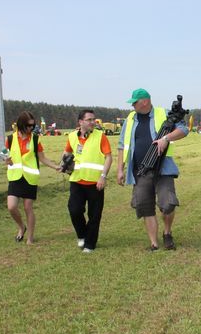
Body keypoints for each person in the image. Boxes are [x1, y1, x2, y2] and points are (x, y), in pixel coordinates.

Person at [116, 88, 189, 251]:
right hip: (140, 171)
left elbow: (184, 130)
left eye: (134, 103)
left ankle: (167, 233)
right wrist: (120, 169)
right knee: (144, 206)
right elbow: (122, 145)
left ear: (145, 101)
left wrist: (166, 138)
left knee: (167, 204)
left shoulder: (163, 114)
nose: (132, 106)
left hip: (163, 170)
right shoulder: (130, 119)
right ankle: (154, 244)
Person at [62, 109, 113, 253]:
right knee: (74, 210)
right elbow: (67, 153)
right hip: (77, 180)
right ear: (80, 122)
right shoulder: (72, 136)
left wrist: (103, 176)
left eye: (94, 119)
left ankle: (90, 244)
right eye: (89, 120)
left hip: (95, 182)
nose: (93, 122)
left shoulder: (101, 136)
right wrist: (64, 163)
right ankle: (82, 235)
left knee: (94, 215)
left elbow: (108, 157)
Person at [5, 111, 59, 245]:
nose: (31, 128)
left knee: (28, 207)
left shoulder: (35, 139)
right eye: (29, 125)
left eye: (33, 125)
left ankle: (30, 238)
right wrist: (6, 160)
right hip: (15, 177)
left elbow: (43, 158)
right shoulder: (10, 139)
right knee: (11, 207)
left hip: (30, 178)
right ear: (21, 125)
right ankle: (21, 227)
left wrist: (55, 166)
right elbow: (3, 153)